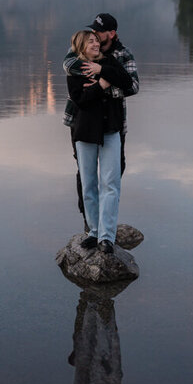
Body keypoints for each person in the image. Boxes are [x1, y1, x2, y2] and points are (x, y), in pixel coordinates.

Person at [65, 23, 137, 255]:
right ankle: (94, 232)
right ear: (81, 47)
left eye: (97, 40)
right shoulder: (75, 69)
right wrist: (104, 85)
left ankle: (107, 236)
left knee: (110, 183)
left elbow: (127, 81)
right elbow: (81, 100)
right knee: (88, 184)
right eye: (90, 42)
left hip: (110, 130)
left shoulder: (109, 62)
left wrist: (101, 72)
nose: (96, 44)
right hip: (85, 131)